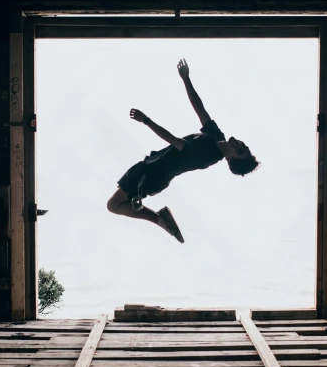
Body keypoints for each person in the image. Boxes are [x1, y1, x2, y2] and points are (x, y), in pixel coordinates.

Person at [106, 59, 260, 243]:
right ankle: (161, 220)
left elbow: (173, 140)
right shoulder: (217, 136)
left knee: (114, 205)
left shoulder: (208, 155)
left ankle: (160, 220)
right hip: (151, 166)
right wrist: (186, 79)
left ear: (232, 159)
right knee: (115, 204)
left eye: (241, 151)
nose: (241, 145)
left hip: (152, 175)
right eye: (245, 146)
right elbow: (200, 109)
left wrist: (145, 120)